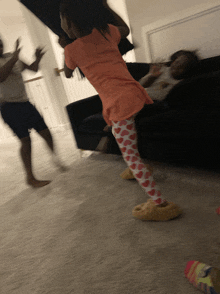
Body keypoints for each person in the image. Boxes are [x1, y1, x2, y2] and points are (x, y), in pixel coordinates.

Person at [59, 0, 182, 221]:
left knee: (130, 155)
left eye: (62, 20)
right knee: (119, 132)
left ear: (70, 22)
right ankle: (136, 165)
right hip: (133, 94)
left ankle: (159, 204)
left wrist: (65, 46)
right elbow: (125, 29)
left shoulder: (71, 50)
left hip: (119, 103)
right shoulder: (108, 32)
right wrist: (106, 8)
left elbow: (67, 73)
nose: (61, 24)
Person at [121, 49, 200, 179]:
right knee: (131, 100)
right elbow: (141, 85)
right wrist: (152, 76)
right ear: (173, 60)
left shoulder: (181, 82)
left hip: (156, 104)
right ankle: (120, 122)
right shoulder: (162, 70)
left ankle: (121, 123)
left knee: (144, 107)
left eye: (182, 67)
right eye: (176, 62)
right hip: (141, 97)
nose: (176, 67)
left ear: (187, 71)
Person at [0, 37, 67, 188]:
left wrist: (37, 58)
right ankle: (30, 178)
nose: (0, 46)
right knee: (26, 141)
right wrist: (15, 57)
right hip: (9, 107)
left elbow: (33, 69)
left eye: (0, 43)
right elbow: (1, 77)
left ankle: (55, 158)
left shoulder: (12, 56)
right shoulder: (12, 57)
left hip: (25, 104)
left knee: (46, 133)